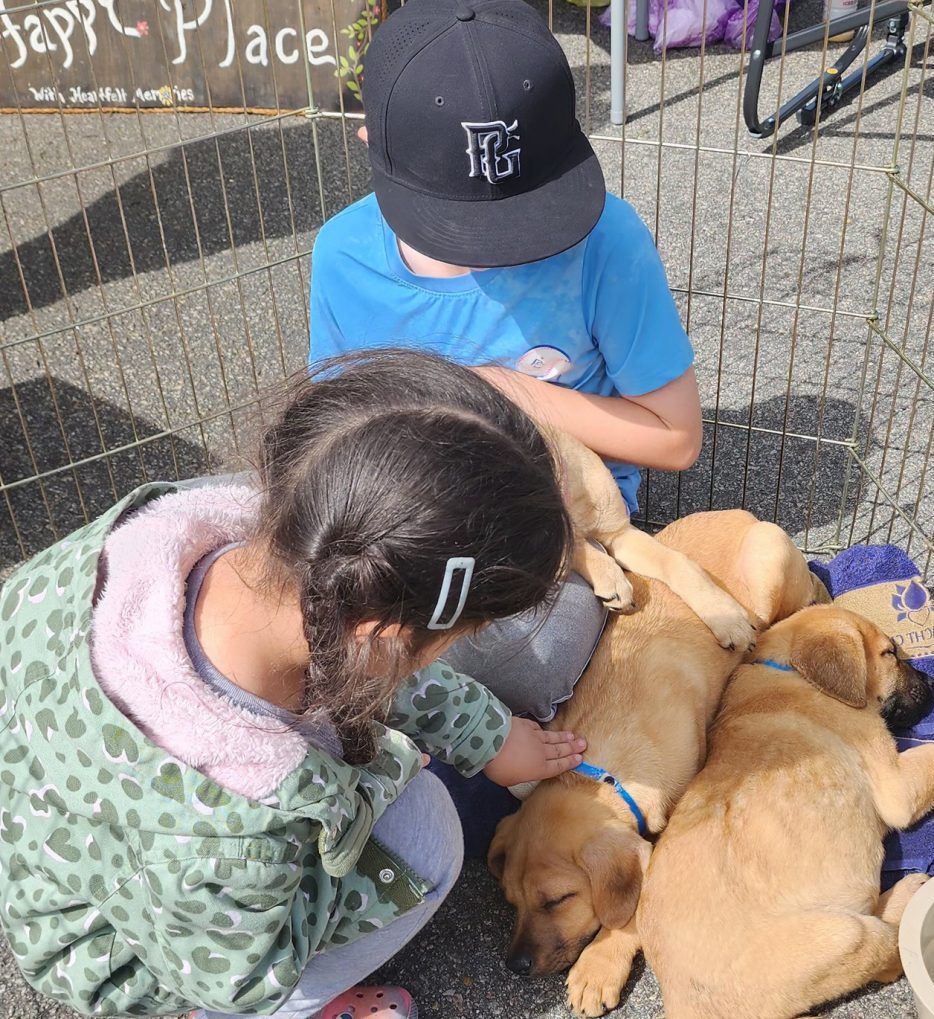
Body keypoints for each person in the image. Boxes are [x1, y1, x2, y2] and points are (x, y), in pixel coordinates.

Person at [0, 350, 585, 1019]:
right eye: (459, 637)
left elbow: (367, 649)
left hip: (62, 841)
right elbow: (241, 973)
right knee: (427, 838)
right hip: (142, 955)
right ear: (384, 636)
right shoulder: (228, 833)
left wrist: (486, 732)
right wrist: (380, 775)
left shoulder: (193, 544)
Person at [308, 0, 701, 828]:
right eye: (458, 226)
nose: (496, 248)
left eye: (521, 217)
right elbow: (333, 438)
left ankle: (394, 718)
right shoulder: (342, 256)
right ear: (368, 144)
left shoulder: (605, 239)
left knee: (530, 649)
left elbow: (676, 437)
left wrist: (511, 391)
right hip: (414, 523)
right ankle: (427, 716)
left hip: (560, 535)